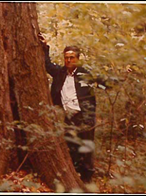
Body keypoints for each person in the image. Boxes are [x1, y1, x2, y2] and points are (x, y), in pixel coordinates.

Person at [39, 33, 97, 183]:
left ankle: (87, 179)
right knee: (71, 147)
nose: (69, 60)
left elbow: (98, 87)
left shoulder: (85, 75)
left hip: (84, 117)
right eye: (66, 57)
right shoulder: (60, 73)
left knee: (86, 148)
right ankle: (75, 174)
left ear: (77, 59)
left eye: (72, 57)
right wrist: (45, 47)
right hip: (68, 117)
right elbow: (47, 65)